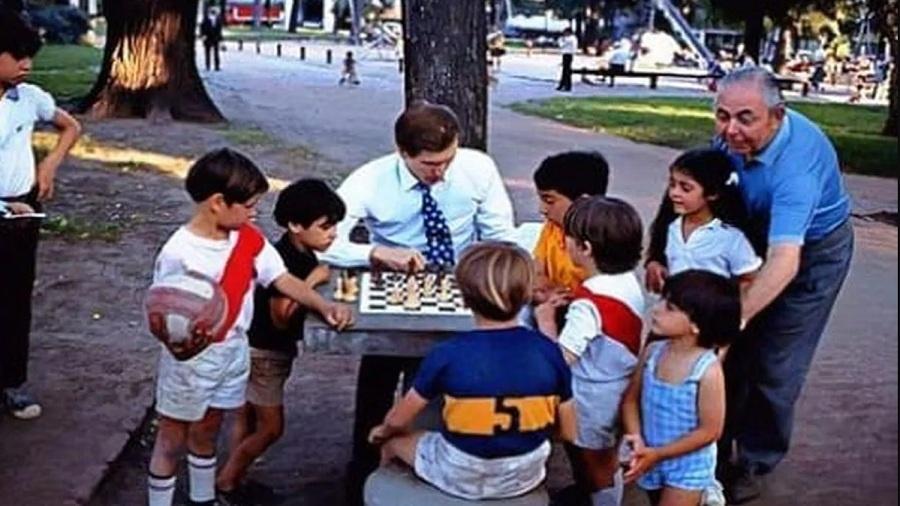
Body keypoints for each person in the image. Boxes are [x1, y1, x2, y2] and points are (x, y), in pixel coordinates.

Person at [321, 101, 516, 505]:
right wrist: (374, 252)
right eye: (429, 164)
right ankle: (362, 475)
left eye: (447, 160)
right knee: (376, 384)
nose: (440, 172)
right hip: (394, 297)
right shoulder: (369, 180)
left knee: (443, 389)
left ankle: (434, 475)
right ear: (402, 152)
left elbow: (502, 236)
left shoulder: (477, 168)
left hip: (459, 292)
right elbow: (324, 241)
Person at [146, 149, 352, 506]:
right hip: (192, 358)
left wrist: (324, 304)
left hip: (234, 350)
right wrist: (186, 347)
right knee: (171, 437)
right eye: (250, 205)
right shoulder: (180, 253)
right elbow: (165, 318)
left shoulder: (248, 238)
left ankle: (202, 498)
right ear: (217, 202)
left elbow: (282, 278)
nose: (256, 212)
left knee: (208, 430)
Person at [713, 66, 854, 503]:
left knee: (776, 365)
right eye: (721, 115)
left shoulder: (797, 169)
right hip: (755, 236)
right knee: (731, 357)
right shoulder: (728, 137)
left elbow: (785, 261)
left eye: (744, 119)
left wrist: (733, 319)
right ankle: (713, 452)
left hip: (811, 254)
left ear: (777, 116)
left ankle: (754, 462)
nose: (730, 130)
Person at [368, 241, 577, 500]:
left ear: (464, 299)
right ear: (526, 296)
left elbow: (398, 419)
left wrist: (382, 432)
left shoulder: (448, 353)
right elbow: (568, 432)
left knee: (393, 445)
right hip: (525, 474)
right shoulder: (550, 352)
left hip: (460, 471)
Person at [216, 179, 346, 502]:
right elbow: (282, 314)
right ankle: (228, 481)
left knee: (245, 415)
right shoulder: (289, 260)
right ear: (295, 225)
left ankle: (235, 475)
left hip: (253, 346)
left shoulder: (292, 250)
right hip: (266, 354)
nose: (333, 234)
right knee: (272, 428)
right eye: (325, 227)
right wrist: (314, 280)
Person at [535, 196, 645, 506]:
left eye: (568, 237)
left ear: (585, 249)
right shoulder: (624, 281)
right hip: (615, 381)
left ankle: (602, 500)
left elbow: (560, 359)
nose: (564, 241)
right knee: (597, 456)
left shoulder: (589, 303)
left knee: (596, 462)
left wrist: (546, 320)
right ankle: (589, 494)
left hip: (592, 394)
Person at [0, 9, 81, 420]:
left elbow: (70, 127)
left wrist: (48, 166)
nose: (26, 65)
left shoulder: (30, 98)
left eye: (30, 56)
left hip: (23, 210)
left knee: (16, 297)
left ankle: (13, 382)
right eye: (16, 56)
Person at [621, 270, 741, 506]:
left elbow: (710, 431)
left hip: (687, 466)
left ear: (697, 325)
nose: (656, 309)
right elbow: (630, 401)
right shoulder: (653, 353)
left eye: (670, 308)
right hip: (650, 456)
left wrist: (657, 454)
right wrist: (636, 439)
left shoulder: (707, 371)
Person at [644, 148, 761, 295]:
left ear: (712, 194)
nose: (674, 193)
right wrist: (655, 263)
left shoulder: (730, 238)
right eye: (672, 185)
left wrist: (733, 308)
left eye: (686, 188)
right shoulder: (671, 227)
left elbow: (750, 278)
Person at [532, 151, 610, 300]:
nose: (541, 209)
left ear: (583, 202)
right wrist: (548, 293)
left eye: (549, 201)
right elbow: (537, 272)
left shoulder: (603, 238)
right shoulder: (552, 228)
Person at [200, 6, 223, 71]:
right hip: (208, 38)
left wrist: (220, 38)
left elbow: (219, 30)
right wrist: (203, 35)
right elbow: (202, 28)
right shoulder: (206, 19)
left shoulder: (218, 20)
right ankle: (208, 66)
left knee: (216, 53)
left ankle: (216, 66)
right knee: (208, 53)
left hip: (215, 38)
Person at [556, 28, 578, 92]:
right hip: (567, 55)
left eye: (565, 32)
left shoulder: (569, 39)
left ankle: (566, 86)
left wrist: (560, 40)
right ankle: (563, 85)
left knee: (566, 71)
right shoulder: (573, 38)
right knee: (565, 71)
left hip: (568, 55)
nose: (564, 34)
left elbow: (561, 45)